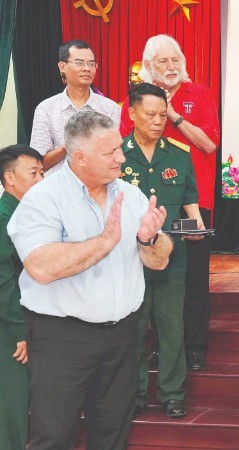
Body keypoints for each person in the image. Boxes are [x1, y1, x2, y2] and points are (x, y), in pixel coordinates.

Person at [8, 111, 173, 449]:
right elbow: (40, 266)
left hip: (124, 334)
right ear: (79, 157)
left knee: (113, 433)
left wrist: (149, 239)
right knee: (54, 435)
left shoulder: (131, 195)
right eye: (110, 152)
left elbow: (160, 260)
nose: (122, 157)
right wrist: (103, 242)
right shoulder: (44, 199)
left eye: (120, 148)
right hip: (62, 339)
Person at [121, 34, 220, 372]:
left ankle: (194, 347)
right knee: (151, 277)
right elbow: (123, 149)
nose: (170, 66)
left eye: (175, 59)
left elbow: (209, 145)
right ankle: (161, 347)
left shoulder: (200, 94)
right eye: (162, 61)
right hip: (146, 207)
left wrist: (173, 115)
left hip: (193, 201)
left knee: (192, 278)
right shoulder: (135, 101)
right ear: (148, 67)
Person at [121, 83, 205, 419]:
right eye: (150, 114)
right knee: (135, 326)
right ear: (131, 113)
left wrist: (196, 224)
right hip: (129, 259)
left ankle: (172, 392)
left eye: (162, 114)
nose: (158, 121)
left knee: (172, 327)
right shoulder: (117, 154)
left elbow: (189, 199)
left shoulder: (179, 153)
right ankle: (136, 392)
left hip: (172, 257)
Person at [0, 145, 44, 450]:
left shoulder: (26, 214)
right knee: (12, 406)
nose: (41, 179)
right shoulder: (5, 219)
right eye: (33, 173)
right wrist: (19, 332)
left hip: (27, 319)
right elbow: (4, 280)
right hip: (10, 326)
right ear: (10, 178)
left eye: (42, 172)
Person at [30, 39, 121, 175]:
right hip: (58, 189)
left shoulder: (110, 108)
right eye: (79, 63)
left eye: (91, 64)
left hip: (98, 186)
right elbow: (37, 163)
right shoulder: (46, 109)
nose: (87, 68)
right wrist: (67, 147)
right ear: (62, 66)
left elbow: (118, 155)